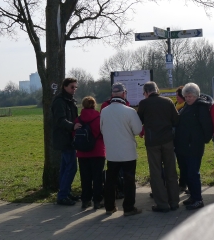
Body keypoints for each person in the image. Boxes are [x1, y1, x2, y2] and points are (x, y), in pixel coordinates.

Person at [100, 83, 143, 216]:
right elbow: (138, 130)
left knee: (110, 180)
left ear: (112, 94)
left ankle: (109, 207)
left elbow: (101, 129)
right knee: (129, 180)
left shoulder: (104, 111)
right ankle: (129, 208)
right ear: (124, 94)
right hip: (127, 152)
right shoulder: (129, 111)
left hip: (112, 152)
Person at [137, 81, 180, 212]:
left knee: (156, 172)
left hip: (152, 142)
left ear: (146, 92)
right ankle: (174, 202)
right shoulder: (168, 101)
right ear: (157, 90)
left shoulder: (144, 103)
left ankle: (162, 203)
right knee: (171, 171)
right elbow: (176, 120)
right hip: (167, 140)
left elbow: (139, 121)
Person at [174, 83, 213, 210]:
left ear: (196, 95)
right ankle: (192, 196)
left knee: (193, 173)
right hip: (184, 145)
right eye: (186, 96)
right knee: (186, 173)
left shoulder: (200, 107)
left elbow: (207, 126)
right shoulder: (186, 106)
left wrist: (202, 140)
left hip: (194, 146)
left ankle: (198, 199)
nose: (188, 98)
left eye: (190, 96)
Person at [51, 77, 82, 206]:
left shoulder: (70, 101)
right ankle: (62, 195)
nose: (74, 89)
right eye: (72, 87)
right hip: (64, 138)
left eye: (75, 87)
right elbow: (60, 119)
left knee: (65, 168)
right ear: (65, 87)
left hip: (69, 138)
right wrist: (72, 126)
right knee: (71, 168)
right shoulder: (60, 101)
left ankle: (65, 192)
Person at [74, 96, 106, 209]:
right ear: (94, 104)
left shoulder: (78, 119)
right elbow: (104, 133)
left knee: (85, 177)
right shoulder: (99, 118)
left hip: (82, 152)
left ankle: (85, 200)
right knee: (97, 177)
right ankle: (97, 200)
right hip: (98, 151)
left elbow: (75, 135)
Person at [174, 86, 187, 193]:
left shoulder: (187, 106)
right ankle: (180, 184)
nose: (177, 97)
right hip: (174, 139)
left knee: (184, 164)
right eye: (176, 95)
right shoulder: (174, 106)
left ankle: (184, 184)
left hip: (183, 139)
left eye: (179, 95)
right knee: (178, 163)